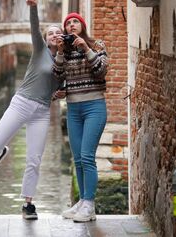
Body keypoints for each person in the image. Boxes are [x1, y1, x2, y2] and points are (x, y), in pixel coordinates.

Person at [0, 0, 63, 220]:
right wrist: (33, 8)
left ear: (64, 38)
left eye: (58, 32)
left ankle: (28, 204)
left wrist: (61, 92)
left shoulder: (67, 61)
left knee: (34, 159)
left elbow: (63, 84)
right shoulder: (40, 50)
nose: (54, 35)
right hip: (21, 103)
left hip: (41, 112)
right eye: (51, 33)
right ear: (47, 39)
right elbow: (34, 27)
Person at [52, 12, 109, 222]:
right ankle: (82, 203)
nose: (71, 25)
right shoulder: (65, 51)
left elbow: (101, 71)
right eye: (68, 23)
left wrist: (86, 49)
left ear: (82, 25)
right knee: (77, 159)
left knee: (87, 156)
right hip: (73, 109)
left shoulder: (97, 45)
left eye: (75, 21)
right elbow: (57, 76)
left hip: (94, 107)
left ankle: (90, 204)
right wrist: (59, 53)